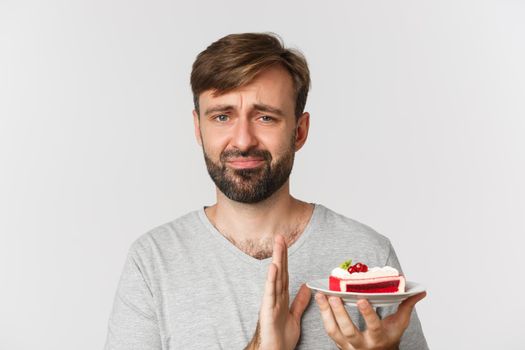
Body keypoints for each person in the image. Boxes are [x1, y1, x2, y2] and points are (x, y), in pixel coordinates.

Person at [104, 32, 428, 350]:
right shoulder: (153, 261)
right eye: (222, 116)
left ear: (299, 131)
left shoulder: (368, 254)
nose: (243, 140)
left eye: (265, 117)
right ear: (198, 129)